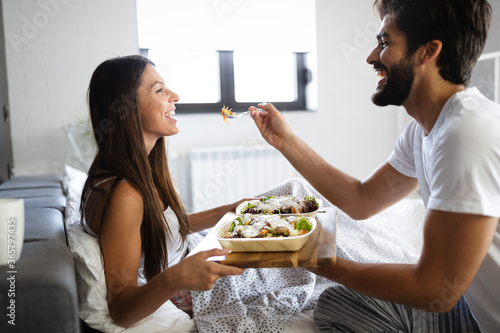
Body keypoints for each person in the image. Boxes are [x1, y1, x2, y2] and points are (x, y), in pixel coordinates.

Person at [249, 0, 500, 331]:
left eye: (384, 43)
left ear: (429, 51)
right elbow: (361, 200)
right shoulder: (424, 130)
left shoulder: (467, 133)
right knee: (337, 304)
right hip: (468, 307)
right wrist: (285, 141)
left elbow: (433, 288)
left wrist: (308, 257)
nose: (371, 57)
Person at [80, 55, 244, 328]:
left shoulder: (137, 172)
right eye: (160, 90)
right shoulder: (125, 195)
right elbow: (122, 310)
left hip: (189, 254)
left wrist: (229, 210)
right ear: (126, 108)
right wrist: (177, 277)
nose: (175, 96)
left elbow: (160, 227)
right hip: (192, 289)